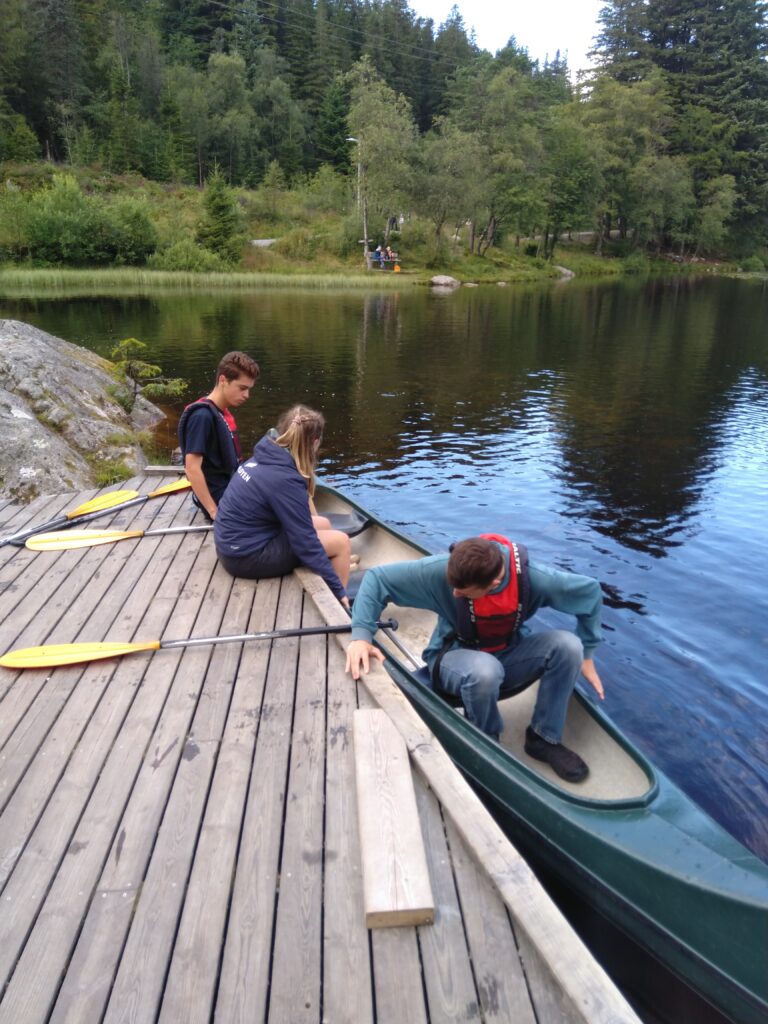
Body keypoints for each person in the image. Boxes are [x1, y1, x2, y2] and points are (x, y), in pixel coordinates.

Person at [345, 534, 605, 782]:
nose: (455, 594)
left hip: (506, 657)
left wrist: (588, 654)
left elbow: (589, 593)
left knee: (569, 646)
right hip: (453, 660)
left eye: (464, 591)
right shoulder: (442, 572)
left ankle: (543, 738)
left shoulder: (536, 580)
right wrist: (361, 636)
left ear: (494, 583)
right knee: (485, 671)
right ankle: (486, 742)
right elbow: (377, 579)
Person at [214, 405, 350, 606]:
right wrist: (338, 589)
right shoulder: (286, 479)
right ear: (315, 443)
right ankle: (339, 606)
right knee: (341, 542)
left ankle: (330, 572)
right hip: (245, 557)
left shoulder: (266, 455)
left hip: (231, 545)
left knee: (324, 523)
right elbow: (305, 542)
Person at [178, 351, 260, 520]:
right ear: (223, 380)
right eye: (242, 388)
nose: (247, 395)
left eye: (248, 389)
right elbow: (192, 468)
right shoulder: (202, 416)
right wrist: (214, 512)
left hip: (232, 487)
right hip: (222, 499)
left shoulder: (219, 412)